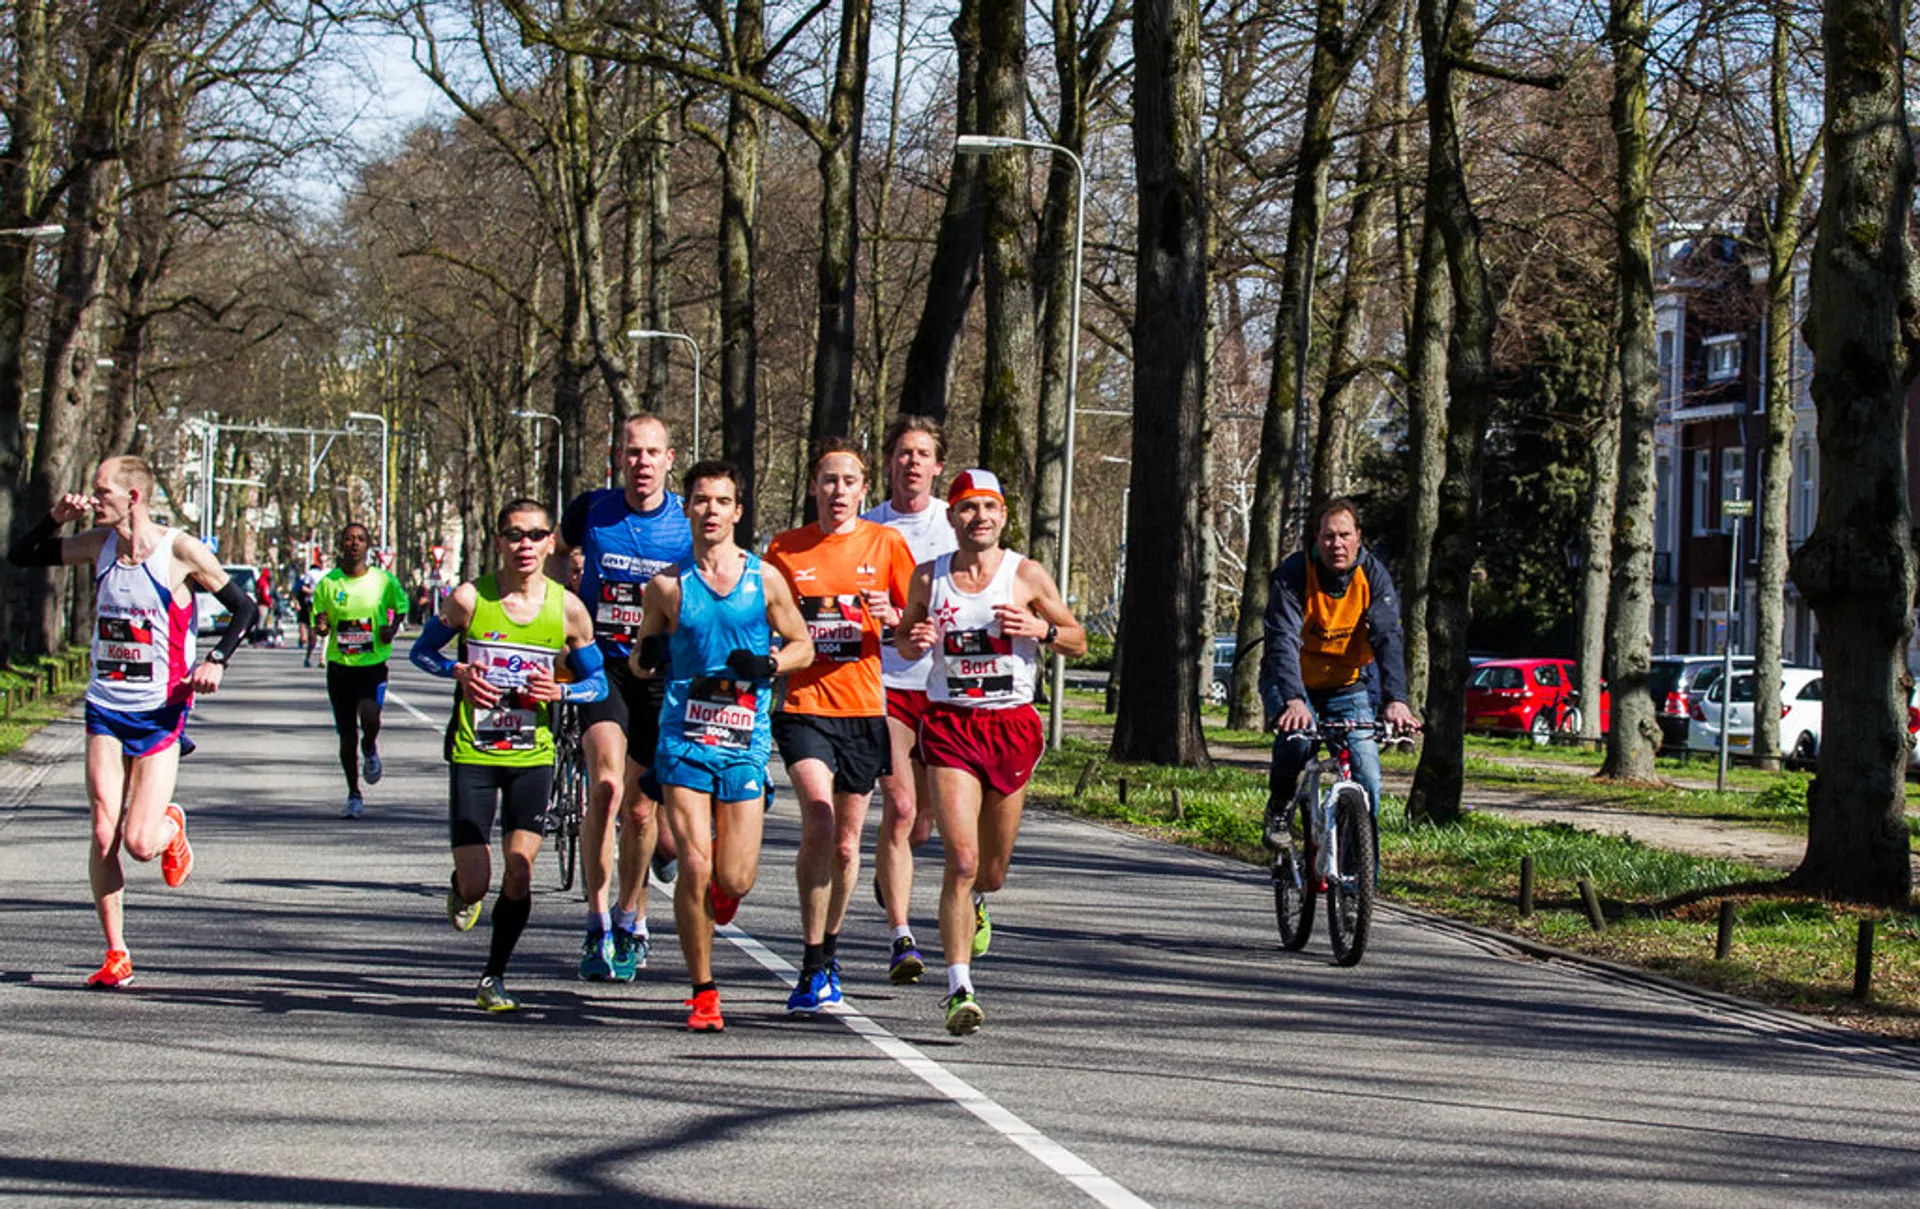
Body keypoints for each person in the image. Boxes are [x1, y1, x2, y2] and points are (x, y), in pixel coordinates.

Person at [5, 455, 258, 988]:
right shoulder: (98, 546)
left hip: (161, 710)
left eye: (102, 492)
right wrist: (54, 517)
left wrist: (216, 660)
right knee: (103, 831)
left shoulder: (180, 551)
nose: (93, 499)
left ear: (133, 497)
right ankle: (116, 952)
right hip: (105, 706)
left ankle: (171, 826)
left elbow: (244, 608)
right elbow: (21, 556)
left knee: (140, 843)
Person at [896, 469, 1085, 1036]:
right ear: (951, 518)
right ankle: (959, 988)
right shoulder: (929, 577)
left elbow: (1077, 639)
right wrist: (915, 640)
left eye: (988, 508)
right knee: (962, 859)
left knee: (993, 872)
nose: (979, 518)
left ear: (1003, 516)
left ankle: (980, 902)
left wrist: (1040, 629)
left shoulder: (1024, 574)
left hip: (1011, 727)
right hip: (951, 726)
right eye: (967, 509)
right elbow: (904, 637)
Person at [629, 459, 813, 1030]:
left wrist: (772, 662)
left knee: (733, 878)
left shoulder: (766, 580)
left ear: (738, 511)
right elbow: (639, 659)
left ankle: (723, 897)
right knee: (695, 862)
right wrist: (650, 657)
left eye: (721, 501)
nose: (710, 510)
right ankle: (703, 990)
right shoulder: (666, 585)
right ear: (687, 508)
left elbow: (804, 644)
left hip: (744, 740)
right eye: (701, 500)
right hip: (683, 737)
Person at [409, 498, 607, 1012]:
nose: (525, 545)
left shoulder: (567, 608)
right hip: (474, 750)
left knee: (520, 867)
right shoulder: (471, 600)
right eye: (514, 535)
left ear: (549, 543)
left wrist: (559, 693)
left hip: (532, 755)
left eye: (535, 536)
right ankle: (461, 888)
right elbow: (420, 652)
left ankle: (493, 977)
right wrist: (456, 674)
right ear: (499, 541)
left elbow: (598, 681)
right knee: (479, 885)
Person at [765, 438, 916, 1015]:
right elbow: (766, 623)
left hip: (862, 711)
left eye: (849, 481)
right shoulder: (785, 549)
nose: (838, 492)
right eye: (828, 481)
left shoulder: (886, 544)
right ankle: (808, 962)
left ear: (863, 490)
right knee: (820, 822)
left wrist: (894, 618)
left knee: (849, 847)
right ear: (812, 487)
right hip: (804, 706)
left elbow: (910, 631)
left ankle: (829, 951)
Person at [556, 413, 694, 984]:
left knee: (642, 808)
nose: (641, 462)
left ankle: (630, 914)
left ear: (668, 460)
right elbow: (555, 550)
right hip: (601, 664)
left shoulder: (687, 522)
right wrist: (559, 603)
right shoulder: (592, 508)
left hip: (658, 671)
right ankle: (595, 924)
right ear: (619, 457)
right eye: (632, 452)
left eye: (652, 452)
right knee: (609, 788)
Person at [1257, 497, 1420, 849]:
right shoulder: (1294, 574)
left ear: (1358, 537)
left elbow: (1388, 636)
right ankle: (1280, 807)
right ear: (1317, 539)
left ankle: (1357, 885)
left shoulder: (1373, 577)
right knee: (1297, 740)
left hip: (1346, 686)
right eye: (1328, 536)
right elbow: (1282, 640)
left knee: (1368, 778)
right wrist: (1294, 700)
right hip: (1291, 682)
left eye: (1345, 535)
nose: (1337, 544)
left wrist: (1396, 699)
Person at [860, 415, 957, 985]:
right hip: (886, 684)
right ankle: (901, 935)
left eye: (923, 454)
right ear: (890, 462)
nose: (912, 463)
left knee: (925, 825)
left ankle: (897, 871)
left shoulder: (957, 525)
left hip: (947, 690)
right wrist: (887, 624)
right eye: (903, 453)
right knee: (897, 811)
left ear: (937, 466)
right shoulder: (867, 528)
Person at [310, 522, 409, 819]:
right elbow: (321, 623)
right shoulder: (328, 584)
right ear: (341, 545)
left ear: (368, 546)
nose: (354, 544)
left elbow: (400, 605)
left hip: (372, 664)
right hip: (340, 667)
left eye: (360, 539)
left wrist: (391, 628)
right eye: (349, 539)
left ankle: (370, 747)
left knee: (370, 715)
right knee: (345, 736)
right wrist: (322, 626)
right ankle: (354, 793)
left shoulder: (383, 581)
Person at [296, 558, 323, 666]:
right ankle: (308, 656)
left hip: (326, 606)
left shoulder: (331, 573)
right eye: (321, 561)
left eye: (325, 561)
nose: (323, 564)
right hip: (312, 606)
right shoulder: (311, 574)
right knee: (313, 634)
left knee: (327, 634)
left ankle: (322, 658)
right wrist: (314, 592)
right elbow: (303, 588)